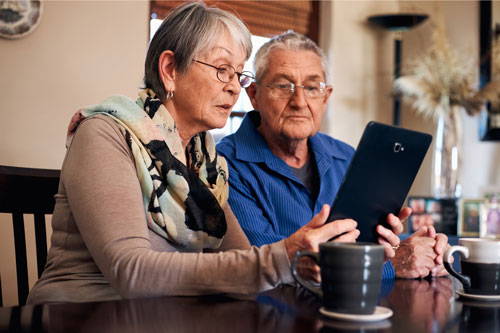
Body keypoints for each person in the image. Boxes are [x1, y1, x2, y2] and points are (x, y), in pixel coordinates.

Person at [27, 3, 398, 304]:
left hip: (168, 315)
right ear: (170, 69)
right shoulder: (105, 133)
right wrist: (282, 258)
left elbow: (240, 262)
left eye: (239, 74)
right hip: (83, 314)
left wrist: (306, 261)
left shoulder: (205, 162)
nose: (235, 89)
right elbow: (131, 272)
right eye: (222, 70)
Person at [217, 31, 449, 279]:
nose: (299, 101)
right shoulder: (223, 164)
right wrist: (392, 264)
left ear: (325, 97)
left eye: (312, 87)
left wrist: (413, 249)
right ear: (254, 95)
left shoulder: (346, 157)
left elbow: (370, 242)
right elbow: (262, 266)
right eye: (284, 86)